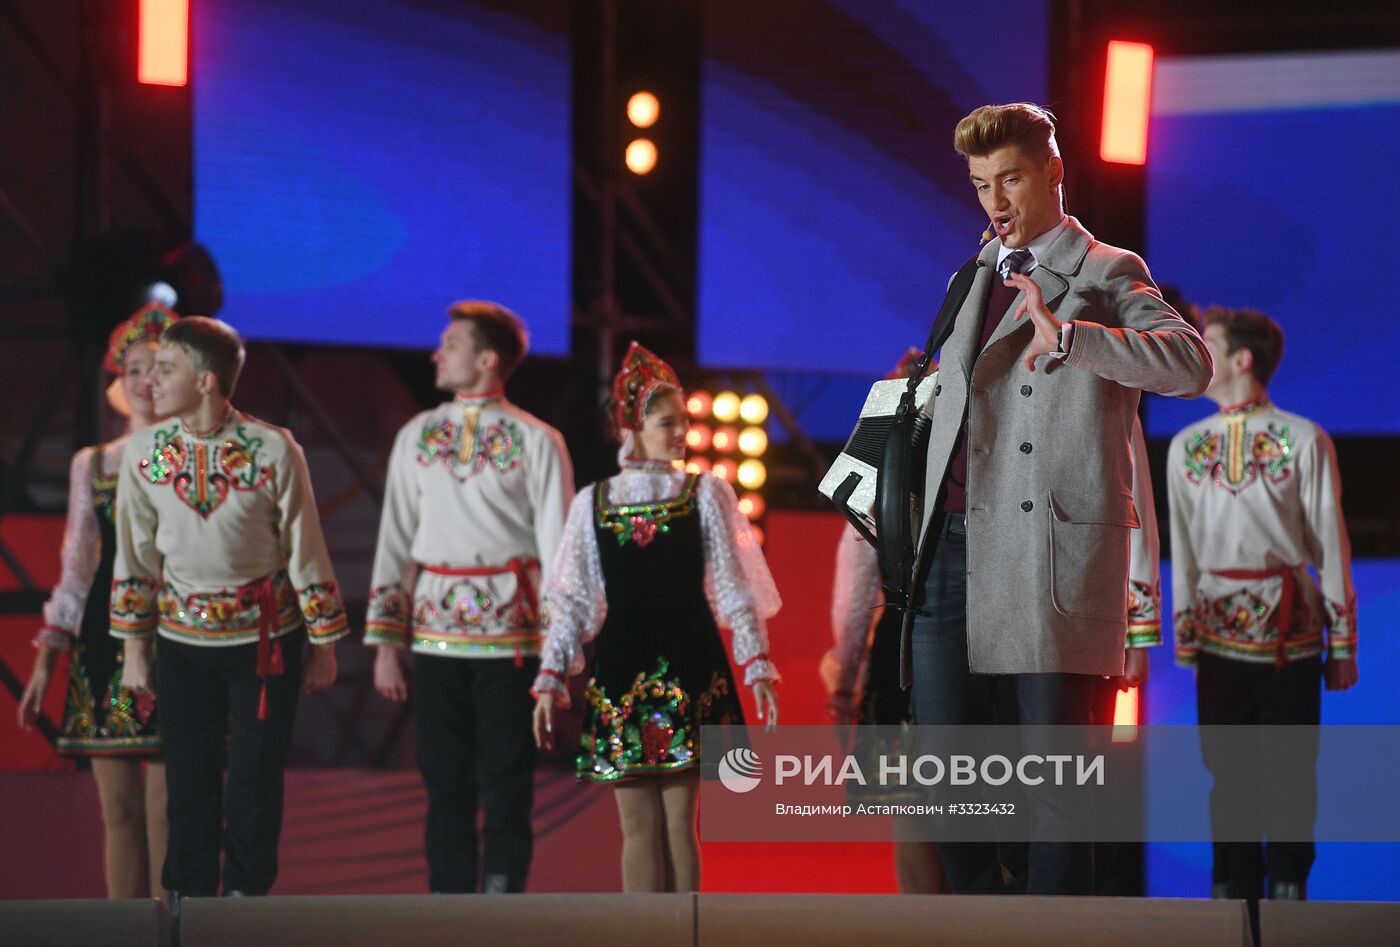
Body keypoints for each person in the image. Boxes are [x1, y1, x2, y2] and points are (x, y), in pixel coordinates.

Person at [897, 102, 1212, 895]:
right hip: (951, 547)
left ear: (1053, 173)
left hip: (1047, 554)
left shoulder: (1106, 269)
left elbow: (1191, 364)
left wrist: (1072, 337)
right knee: (946, 782)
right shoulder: (972, 272)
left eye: (1009, 180)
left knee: (1058, 793)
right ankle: (982, 924)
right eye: (979, 185)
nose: (995, 201)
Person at [111, 316, 348, 902]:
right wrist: (135, 653)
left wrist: (323, 645)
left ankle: (244, 910)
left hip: (264, 641)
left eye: (167, 369)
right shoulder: (147, 452)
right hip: (183, 643)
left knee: (255, 785)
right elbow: (134, 557)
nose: (150, 382)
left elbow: (305, 546)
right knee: (188, 788)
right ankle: (187, 914)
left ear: (208, 380)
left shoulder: (271, 449)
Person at [530, 342, 780, 893]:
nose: (680, 432)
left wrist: (756, 664)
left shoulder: (704, 493)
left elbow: (733, 587)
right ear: (633, 426)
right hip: (621, 669)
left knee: (678, 824)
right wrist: (551, 676)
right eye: (667, 422)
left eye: (684, 421)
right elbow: (572, 599)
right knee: (637, 828)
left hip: (689, 664)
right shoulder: (593, 502)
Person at [364, 300, 574, 894]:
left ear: (487, 359)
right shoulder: (416, 436)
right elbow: (396, 539)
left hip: (511, 637)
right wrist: (385, 642)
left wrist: (558, 652)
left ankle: (503, 901)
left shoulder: (538, 440)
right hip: (433, 634)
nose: (437, 352)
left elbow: (558, 548)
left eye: (451, 344)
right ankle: (448, 903)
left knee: (507, 779)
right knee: (442, 779)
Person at [1168, 306, 1357, 905]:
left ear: (1241, 360)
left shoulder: (1303, 439)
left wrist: (1344, 644)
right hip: (1219, 629)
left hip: (1290, 632)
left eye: (1210, 346)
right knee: (1227, 773)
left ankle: (1289, 890)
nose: (1199, 355)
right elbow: (1184, 546)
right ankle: (1230, 890)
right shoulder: (1186, 445)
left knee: (1291, 772)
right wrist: (1185, 631)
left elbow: (1330, 542)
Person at [16, 303, 175, 902]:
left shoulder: (197, 459)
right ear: (120, 380)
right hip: (104, 643)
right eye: (135, 369)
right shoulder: (93, 464)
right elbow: (77, 566)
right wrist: (45, 661)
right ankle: (125, 931)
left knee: (169, 811)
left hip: (179, 636)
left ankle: (172, 931)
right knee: (119, 811)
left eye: (160, 369)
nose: (146, 381)